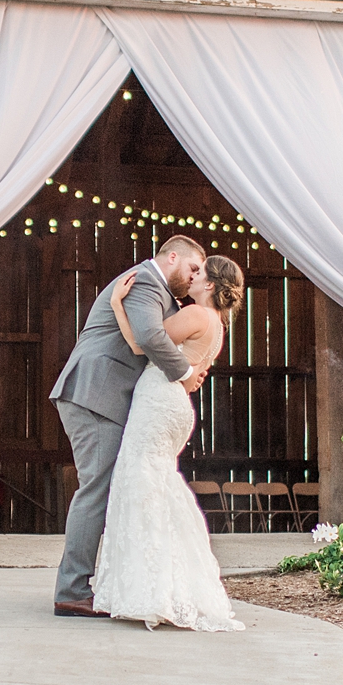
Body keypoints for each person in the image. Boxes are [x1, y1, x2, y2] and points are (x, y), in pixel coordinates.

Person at [48, 235, 205, 616]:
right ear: (171, 258)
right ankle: (71, 590)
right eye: (192, 268)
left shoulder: (160, 292)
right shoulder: (146, 281)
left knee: (105, 488)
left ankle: (89, 584)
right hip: (95, 394)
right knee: (96, 489)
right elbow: (148, 337)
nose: (194, 277)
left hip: (104, 397)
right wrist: (184, 374)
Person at [91, 254, 246, 632]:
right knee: (157, 488)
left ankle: (151, 590)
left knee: (139, 483)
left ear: (209, 284)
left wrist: (115, 303)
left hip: (160, 401)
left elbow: (145, 343)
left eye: (198, 273)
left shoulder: (196, 314)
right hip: (175, 404)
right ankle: (167, 584)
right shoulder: (218, 325)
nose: (191, 276)